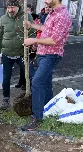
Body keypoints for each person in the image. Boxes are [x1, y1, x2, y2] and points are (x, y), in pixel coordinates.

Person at [22, 0, 72, 131]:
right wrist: (32, 25)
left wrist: (34, 40)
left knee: (37, 82)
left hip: (51, 55)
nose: (44, 1)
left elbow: (54, 40)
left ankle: (37, 118)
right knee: (46, 83)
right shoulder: (52, 13)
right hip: (44, 54)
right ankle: (50, 108)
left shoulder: (62, 16)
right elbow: (47, 29)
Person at [0, 0, 35, 110]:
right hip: (7, 54)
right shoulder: (3, 19)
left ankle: (32, 98)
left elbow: (32, 33)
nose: (10, 10)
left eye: (12, 7)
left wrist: (32, 44)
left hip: (22, 54)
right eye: (8, 8)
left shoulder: (27, 17)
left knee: (31, 75)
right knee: (6, 78)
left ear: (18, 7)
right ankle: (5, 99)